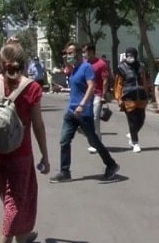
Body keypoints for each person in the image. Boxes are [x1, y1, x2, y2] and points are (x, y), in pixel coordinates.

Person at [0, 40, 50, 243]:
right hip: (20, 152)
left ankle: (22, 235)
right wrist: (45, 155)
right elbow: (38, 126)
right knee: (17, 198)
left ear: (4, 63)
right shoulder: (32, 87)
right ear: (24, 62)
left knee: (8, 195)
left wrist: (2, 50)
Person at [50, 42, 120, 183]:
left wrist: (82, 104)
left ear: (77, 53)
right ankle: (65, 172)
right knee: (64, 141)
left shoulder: (86, 67)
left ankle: (111, 165)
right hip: (71, 111)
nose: (68, 56)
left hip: (84, 112)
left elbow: (91, 87)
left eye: (70, 53)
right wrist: (62, 89)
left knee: (93, 141)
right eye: (67, 53)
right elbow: (77, 88)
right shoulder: (74, 69)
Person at [114, 47, 150, 153]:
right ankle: (135, 143)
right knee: (133, 121)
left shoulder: (141, 66)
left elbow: (144, 80)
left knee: (141, 119)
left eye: (132, 56)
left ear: (136, 56)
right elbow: (118, 84)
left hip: (141, 97)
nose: (130, 58)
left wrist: (147, 95)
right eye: (128, 56)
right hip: (128, 98)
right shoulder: (121, 67)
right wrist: (119, 98)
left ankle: (132, 134)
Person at [82, 44, 111, 154]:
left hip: (97, 95)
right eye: (84, 52)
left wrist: (103, 95)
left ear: (92, 52)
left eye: (87, 52)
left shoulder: (101, 64)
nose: (85, 54)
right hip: (85, 95)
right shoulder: (84, 64)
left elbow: (105, 80)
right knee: (86, 119)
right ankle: (94, 140)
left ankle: (96, 143)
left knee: (95, 119)